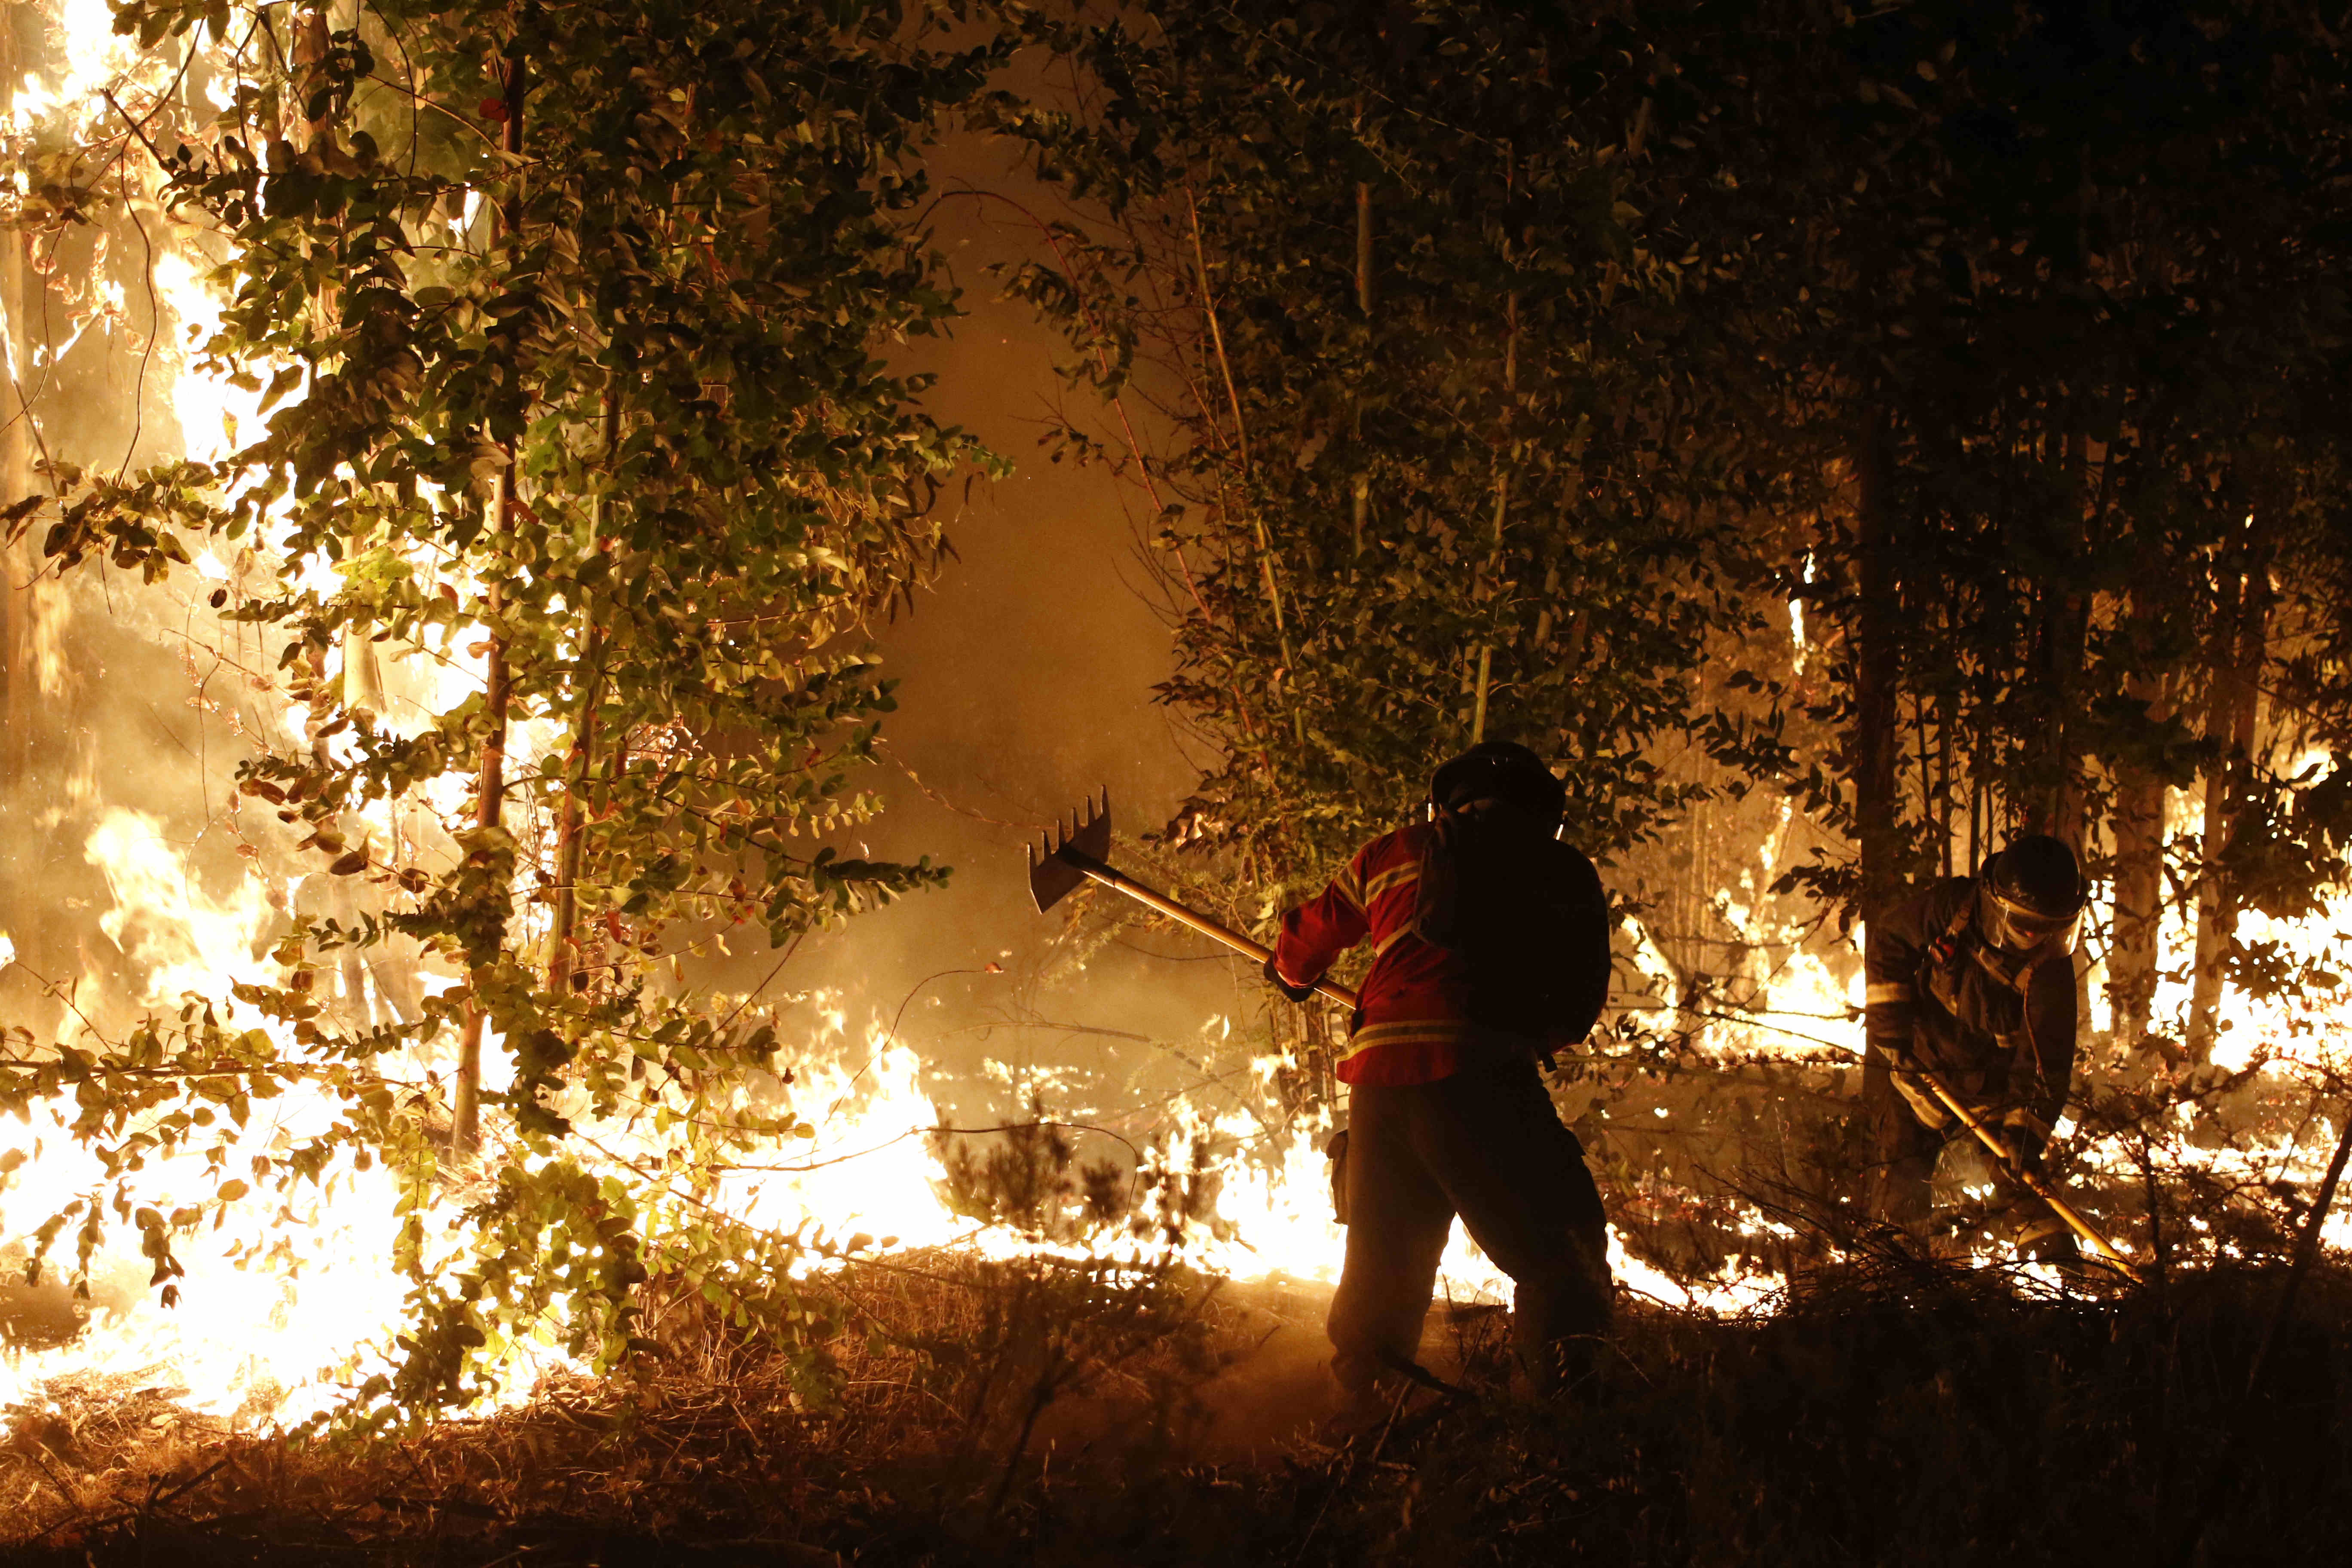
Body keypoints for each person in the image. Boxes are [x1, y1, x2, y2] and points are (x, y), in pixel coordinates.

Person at [1265, 741, 1614, 1403]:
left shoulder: (1390, 854)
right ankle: (1564, 1425)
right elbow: (1578, 1003)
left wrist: (1288, 972)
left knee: (1383, 1278)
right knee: (1563, 1258)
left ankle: (1362, 1422)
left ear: (1447, 801)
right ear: (1545, 811)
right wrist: (1525, 1030)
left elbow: (1305, 945)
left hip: (1377, 1086)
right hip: (1479, 1077)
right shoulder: (1561, 869)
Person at [1859, 833, 2086, 1258]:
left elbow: (2045, 1066)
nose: (2032, 934)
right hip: (1924, 1068)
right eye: (2023, 922)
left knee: (2020, 1180)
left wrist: (2024, 1138)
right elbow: (1890, 940)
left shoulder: (2051, 975)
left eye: (2046, 926)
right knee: (1902, 1174)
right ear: (1995, 900)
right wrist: (1892, 1037)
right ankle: (1895, 1269)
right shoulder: (1954, 908)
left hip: (1998, 1088)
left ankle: (2062, 1270)